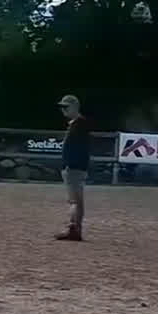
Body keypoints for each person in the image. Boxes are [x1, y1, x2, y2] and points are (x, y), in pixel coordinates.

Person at [56, 93, 90, 241]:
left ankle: (73, 229)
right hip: (77, 167)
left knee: (74, 200)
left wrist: (70, 165)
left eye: (66, 107)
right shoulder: (78, 124)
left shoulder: (79, 124)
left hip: (74, 168)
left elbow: (77, 148)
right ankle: (76, 228)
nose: (63, 110)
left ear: (75, 107)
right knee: (77, 200)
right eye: (62, 107)